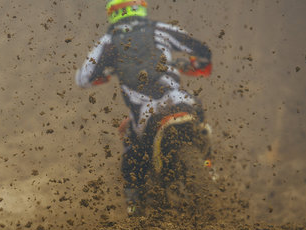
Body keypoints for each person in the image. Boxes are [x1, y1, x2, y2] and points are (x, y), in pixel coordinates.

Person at [76, 0, 214, 215]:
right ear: (140, 6)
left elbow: (83, 78)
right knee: (199, 116)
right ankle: (208, 166)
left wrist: (104, 75)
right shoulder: (162, 29)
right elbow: (202, 49)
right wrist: (196, 66)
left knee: (132, 156)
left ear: (113, 13)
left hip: (145, 115)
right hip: (180, 101)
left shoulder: (108, 42)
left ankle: (136, 210)